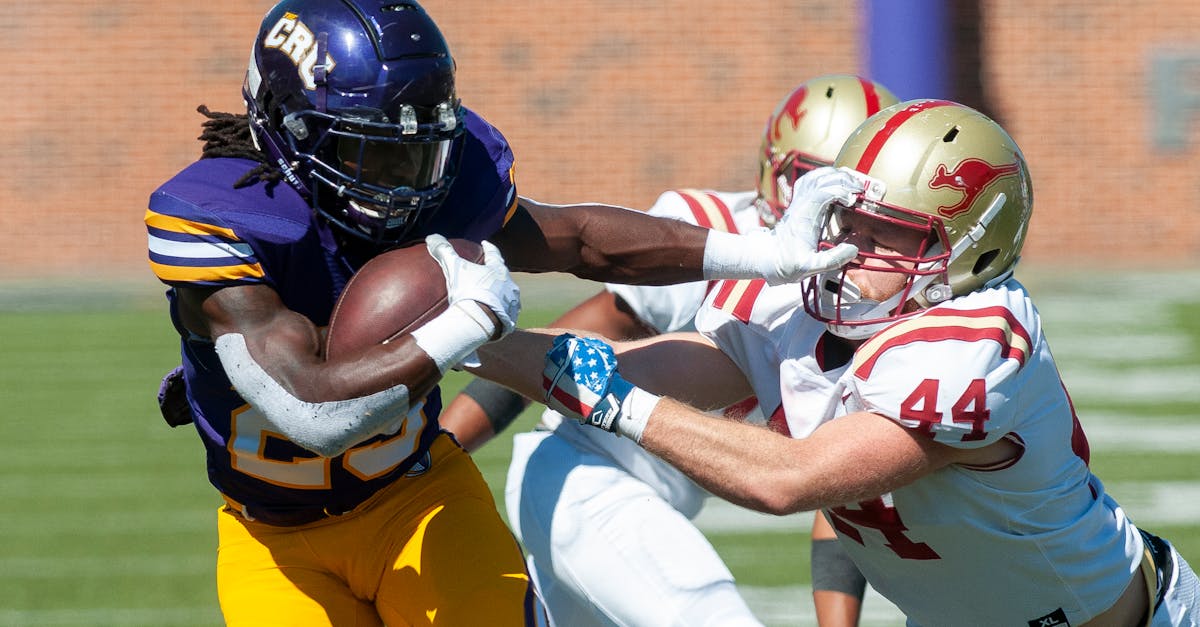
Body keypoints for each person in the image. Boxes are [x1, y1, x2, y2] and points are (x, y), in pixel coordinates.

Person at [144, 1, 847, 625]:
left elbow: (581, 239)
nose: (402, 183)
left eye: (416, 152)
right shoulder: (222, 219)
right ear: (287, 129)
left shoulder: (434, 177)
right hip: (276, 539)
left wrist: (766, 251)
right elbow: (313, 412)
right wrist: (462, 323)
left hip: (415, 494)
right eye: (371, 154)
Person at [470, 100, 1200, 626]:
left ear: (971, 253)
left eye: (891, 236)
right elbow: (666, 362)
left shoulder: (978, 339)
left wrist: (611, 399)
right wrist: (474, 341)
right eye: (848, 220)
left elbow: (788, 479)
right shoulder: (805, 301)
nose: (854, 250)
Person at [440, 74, 896, 627]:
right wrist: (438, 453)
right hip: (587, 477)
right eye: (807, 182)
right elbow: (560, 353)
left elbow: (841, 481)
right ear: (772, 169)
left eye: (845, 195)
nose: (825, 212)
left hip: (652, 508)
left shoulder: (872, 293)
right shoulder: (720, 233)